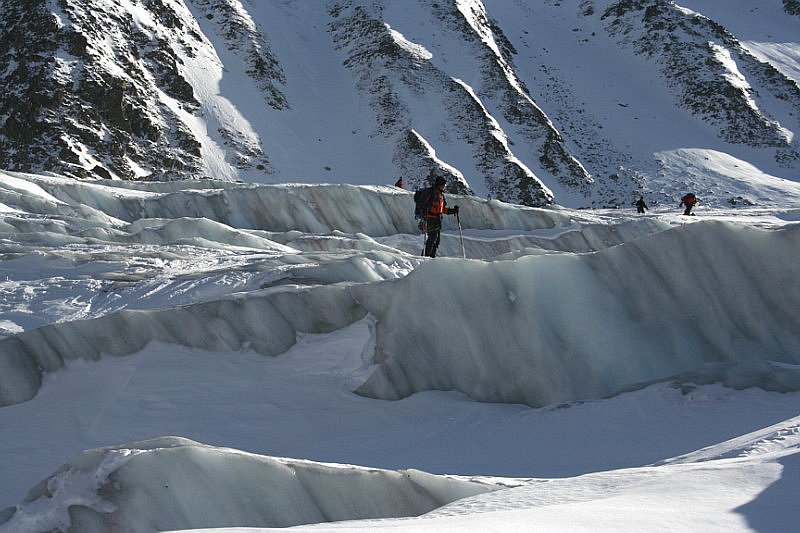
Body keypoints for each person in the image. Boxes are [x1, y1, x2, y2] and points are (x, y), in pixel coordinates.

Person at [418, 176, 459, 258]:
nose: (444, 187)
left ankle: (431, 257)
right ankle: (426, 257)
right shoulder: (431, 193)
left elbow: (442, 209)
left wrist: (453, 211)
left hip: (436, 220)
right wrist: (424, 213)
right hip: (430, 218)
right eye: (443, 185)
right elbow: (421, 204)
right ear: (439, 184)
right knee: (433, 238)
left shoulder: (440, 195)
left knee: (436, 240)